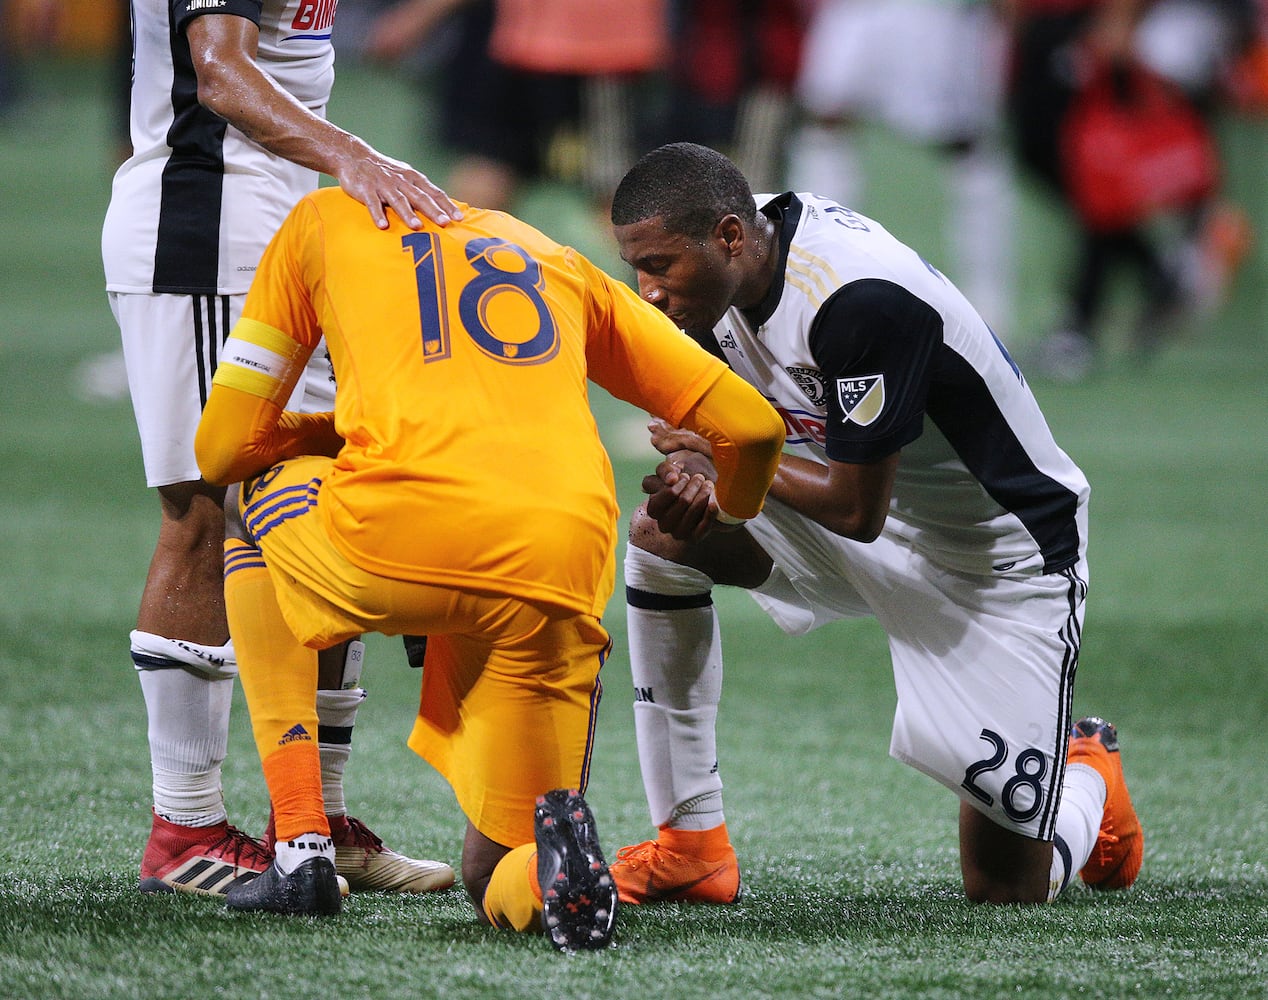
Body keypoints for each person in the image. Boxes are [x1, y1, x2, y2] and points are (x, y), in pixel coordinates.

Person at [190, 185, 784, 945]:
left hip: (393, 538)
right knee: (492, 871)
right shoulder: (556, 259)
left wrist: (339, 430)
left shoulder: (317, 221)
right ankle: (549, 874)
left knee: (247, 505)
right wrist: (725, 516)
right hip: (557, 563)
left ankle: (300, 845)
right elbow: (754, 429)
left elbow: (219, 449)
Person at [606, 141, 1144, 906]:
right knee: (664, 536)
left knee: (1006, 890)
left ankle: (1087, 771)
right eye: (637, 266)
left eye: (659, 265)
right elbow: (704, 441)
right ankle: (690, 843)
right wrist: (697, 478)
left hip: (999, 558)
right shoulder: (718, 281)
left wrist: (721, 457)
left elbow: (856, 510)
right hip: (858, 510)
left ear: (730, 234)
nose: (647, 290)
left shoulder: (857, 299)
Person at [101, 0, 463, 898]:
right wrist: (353, 155)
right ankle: (184, 828)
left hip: (285, 226)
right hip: (208, 223)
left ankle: (318, 819)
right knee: (207, 511)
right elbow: (221, 72)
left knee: (323, 503)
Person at [788, 0, 1016, 330]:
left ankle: (988, 308)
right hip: (852, 11)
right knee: (824, 127)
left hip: (937, 14)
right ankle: (809, 293)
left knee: (969, 147)